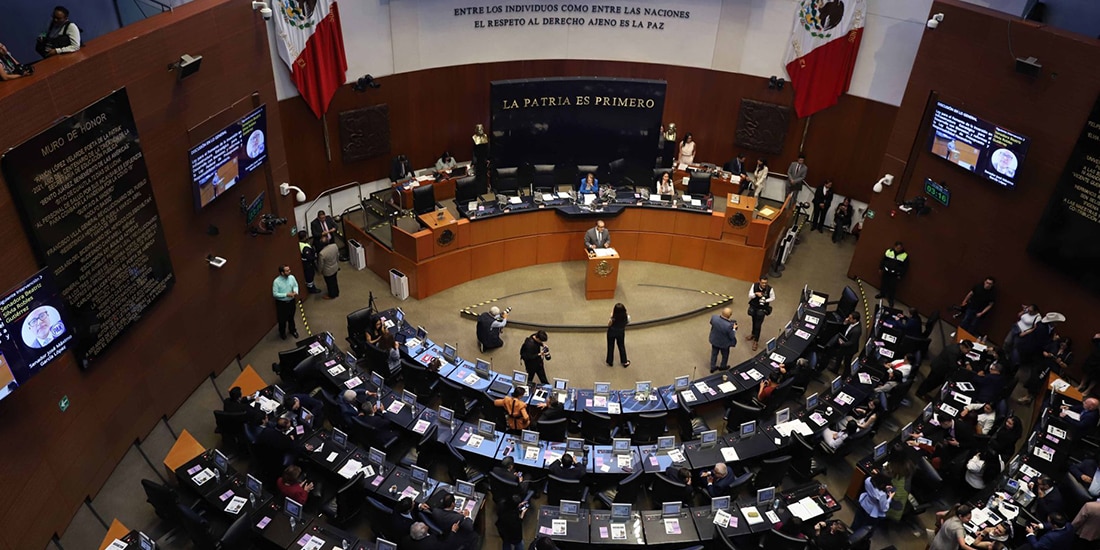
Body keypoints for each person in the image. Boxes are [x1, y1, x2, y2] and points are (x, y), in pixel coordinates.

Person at [746, 276, 776, 351]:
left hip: (762, 308)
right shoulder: (754, 285)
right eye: (762, 283)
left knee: (758, 325)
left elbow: (773, 298)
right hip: (754, 306)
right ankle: (753, 334)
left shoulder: (770, 289)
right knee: (753, 321)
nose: (764, 284)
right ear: (759, 282)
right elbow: (750, 295)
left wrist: (765, 300)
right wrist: (756, 294)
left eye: (765, 283)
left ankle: (756, 341)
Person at [877, 241, 909, 307]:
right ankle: (882, 294)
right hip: (886, 272)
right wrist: (880, 268)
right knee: (884, 283)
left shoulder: (904, 255)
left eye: (900, 248)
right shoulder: (889, 251)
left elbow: (905, 267)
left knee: (892, 287)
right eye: (897, 248)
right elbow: (884, 260)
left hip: (895, 274)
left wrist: (900, 275)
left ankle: (890, 300)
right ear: (895, 247)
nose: (898, 249)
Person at [272, 265, 299, 340]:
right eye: (287, 271)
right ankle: (282, 333)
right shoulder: (276, 282)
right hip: (282, 304)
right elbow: (275, 294)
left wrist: (295, 291)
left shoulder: (291, 277)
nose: (289, 271)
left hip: (291, 302)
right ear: (282, 273)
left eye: (289, 270)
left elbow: (295, 285)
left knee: (291, 317)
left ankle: (292, 330)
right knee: (282, 320)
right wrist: (286, 294)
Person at [708, 307, 738, 372]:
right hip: (724, 343)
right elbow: (732, 336)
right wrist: (734, 329)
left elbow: (711, 323)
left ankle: (712, 367)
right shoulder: (729, 325)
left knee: (714, 354)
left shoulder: (714, 318)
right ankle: (723, 366)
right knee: (725, 355)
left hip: (714, 340)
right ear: (729, 315)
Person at [605, 303, 630, 368]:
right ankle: (624, 361)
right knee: (621, 346)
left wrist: (611, 317)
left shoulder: (613, 318)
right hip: (620, 332)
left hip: (611, 332)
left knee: (610, 346)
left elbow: (609, 324)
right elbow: (627, 322)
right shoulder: (627, 317)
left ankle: (610, 361)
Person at [317, 234, 339, 300]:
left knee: (330, 284)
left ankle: (332, 295)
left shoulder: (322, 253)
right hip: (335, 267)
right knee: (334, 281)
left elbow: (321, 265)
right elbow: (337, 255)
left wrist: (319, 272)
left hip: (327, 271)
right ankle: (336, 292)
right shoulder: (334, 246)